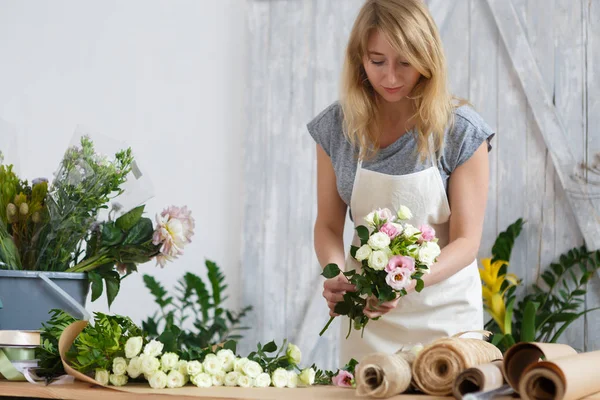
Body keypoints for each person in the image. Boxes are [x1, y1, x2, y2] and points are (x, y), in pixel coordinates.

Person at [307, 0, 494, 364]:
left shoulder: (460, 131)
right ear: (359, 58)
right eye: (377, 61)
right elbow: (328, 224)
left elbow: (466, 241)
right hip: (369, 321)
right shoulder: (336, 128)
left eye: (405, 62)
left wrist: (408, 281)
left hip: (446, 321)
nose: (390, 77)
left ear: (427, 59)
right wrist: (337, 275)